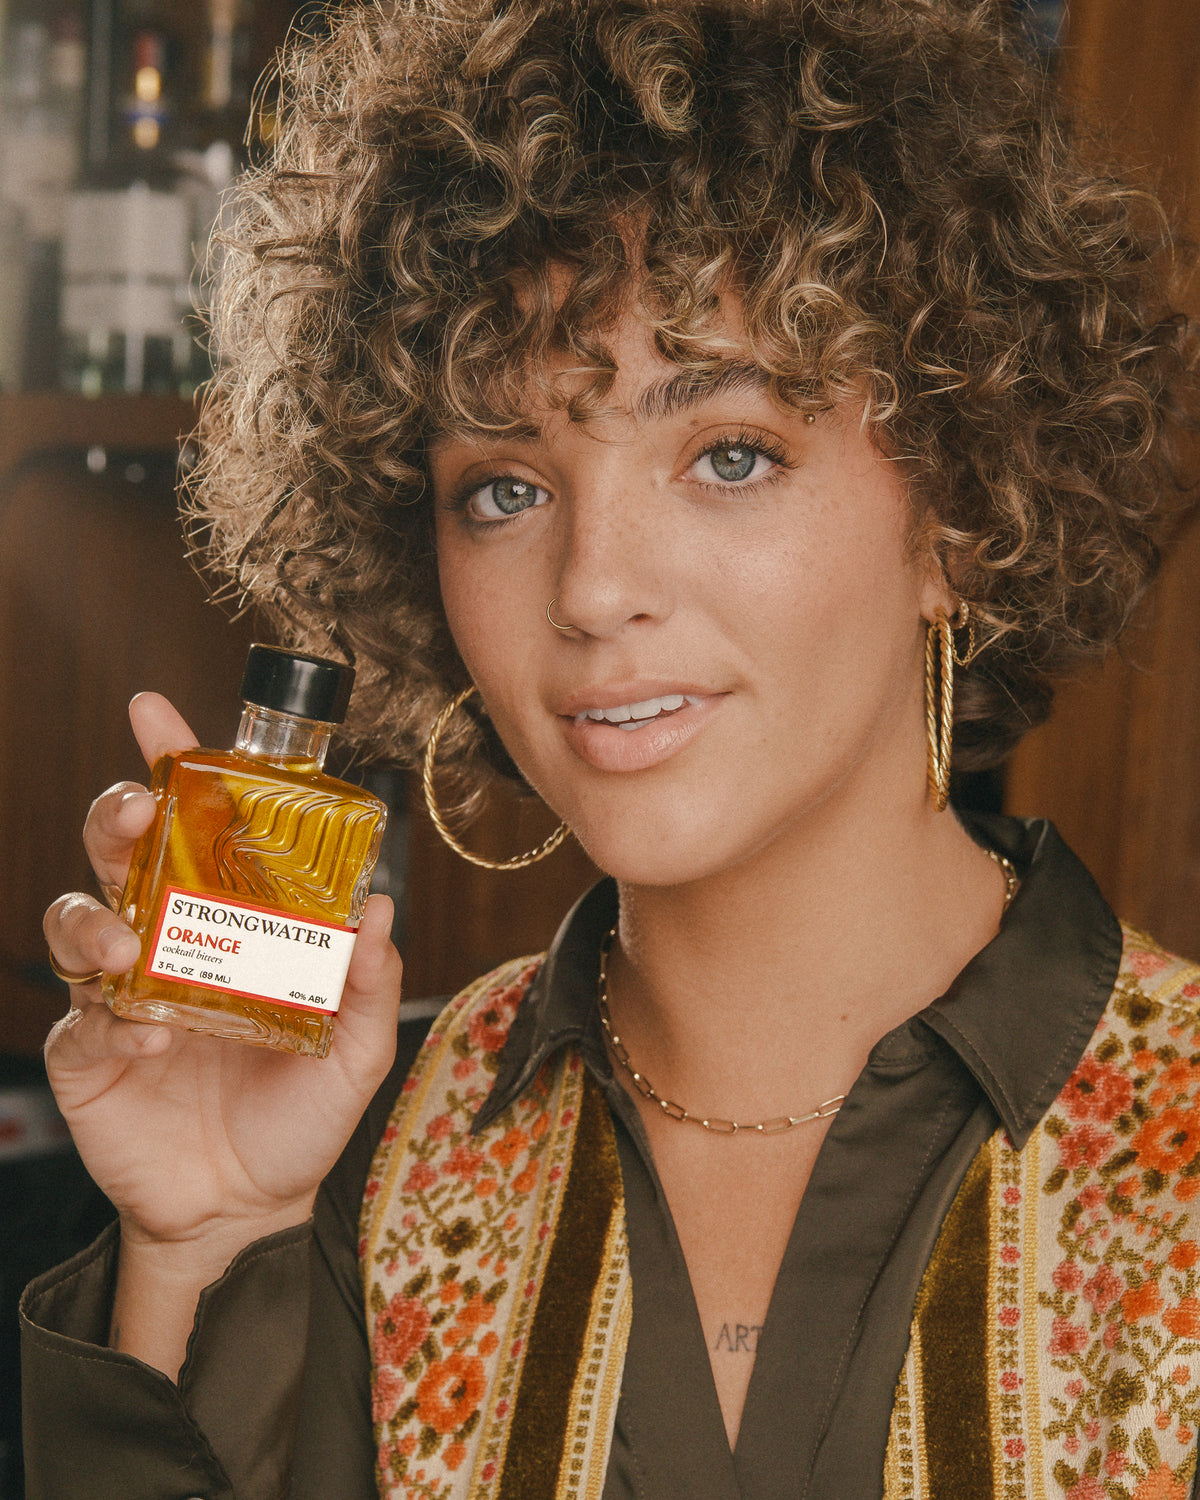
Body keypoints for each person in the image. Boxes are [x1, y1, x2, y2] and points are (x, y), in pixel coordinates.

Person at [20, 0, 1200, 1495]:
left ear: (959, 508)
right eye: (503, 491)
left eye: (728, 456)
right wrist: (201, 1242)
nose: (589, 590)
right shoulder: (360, 1166)